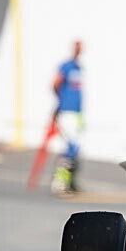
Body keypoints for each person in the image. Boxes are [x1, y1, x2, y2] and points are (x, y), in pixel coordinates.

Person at [50, 41, 84, 194]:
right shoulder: (66, 66)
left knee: (75, 149)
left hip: (76, 113)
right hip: (67, 112)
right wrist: (61, 101)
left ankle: (70, 182)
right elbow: (55, 83)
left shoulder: (79, 68)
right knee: (69, 148)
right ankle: (59, 183)